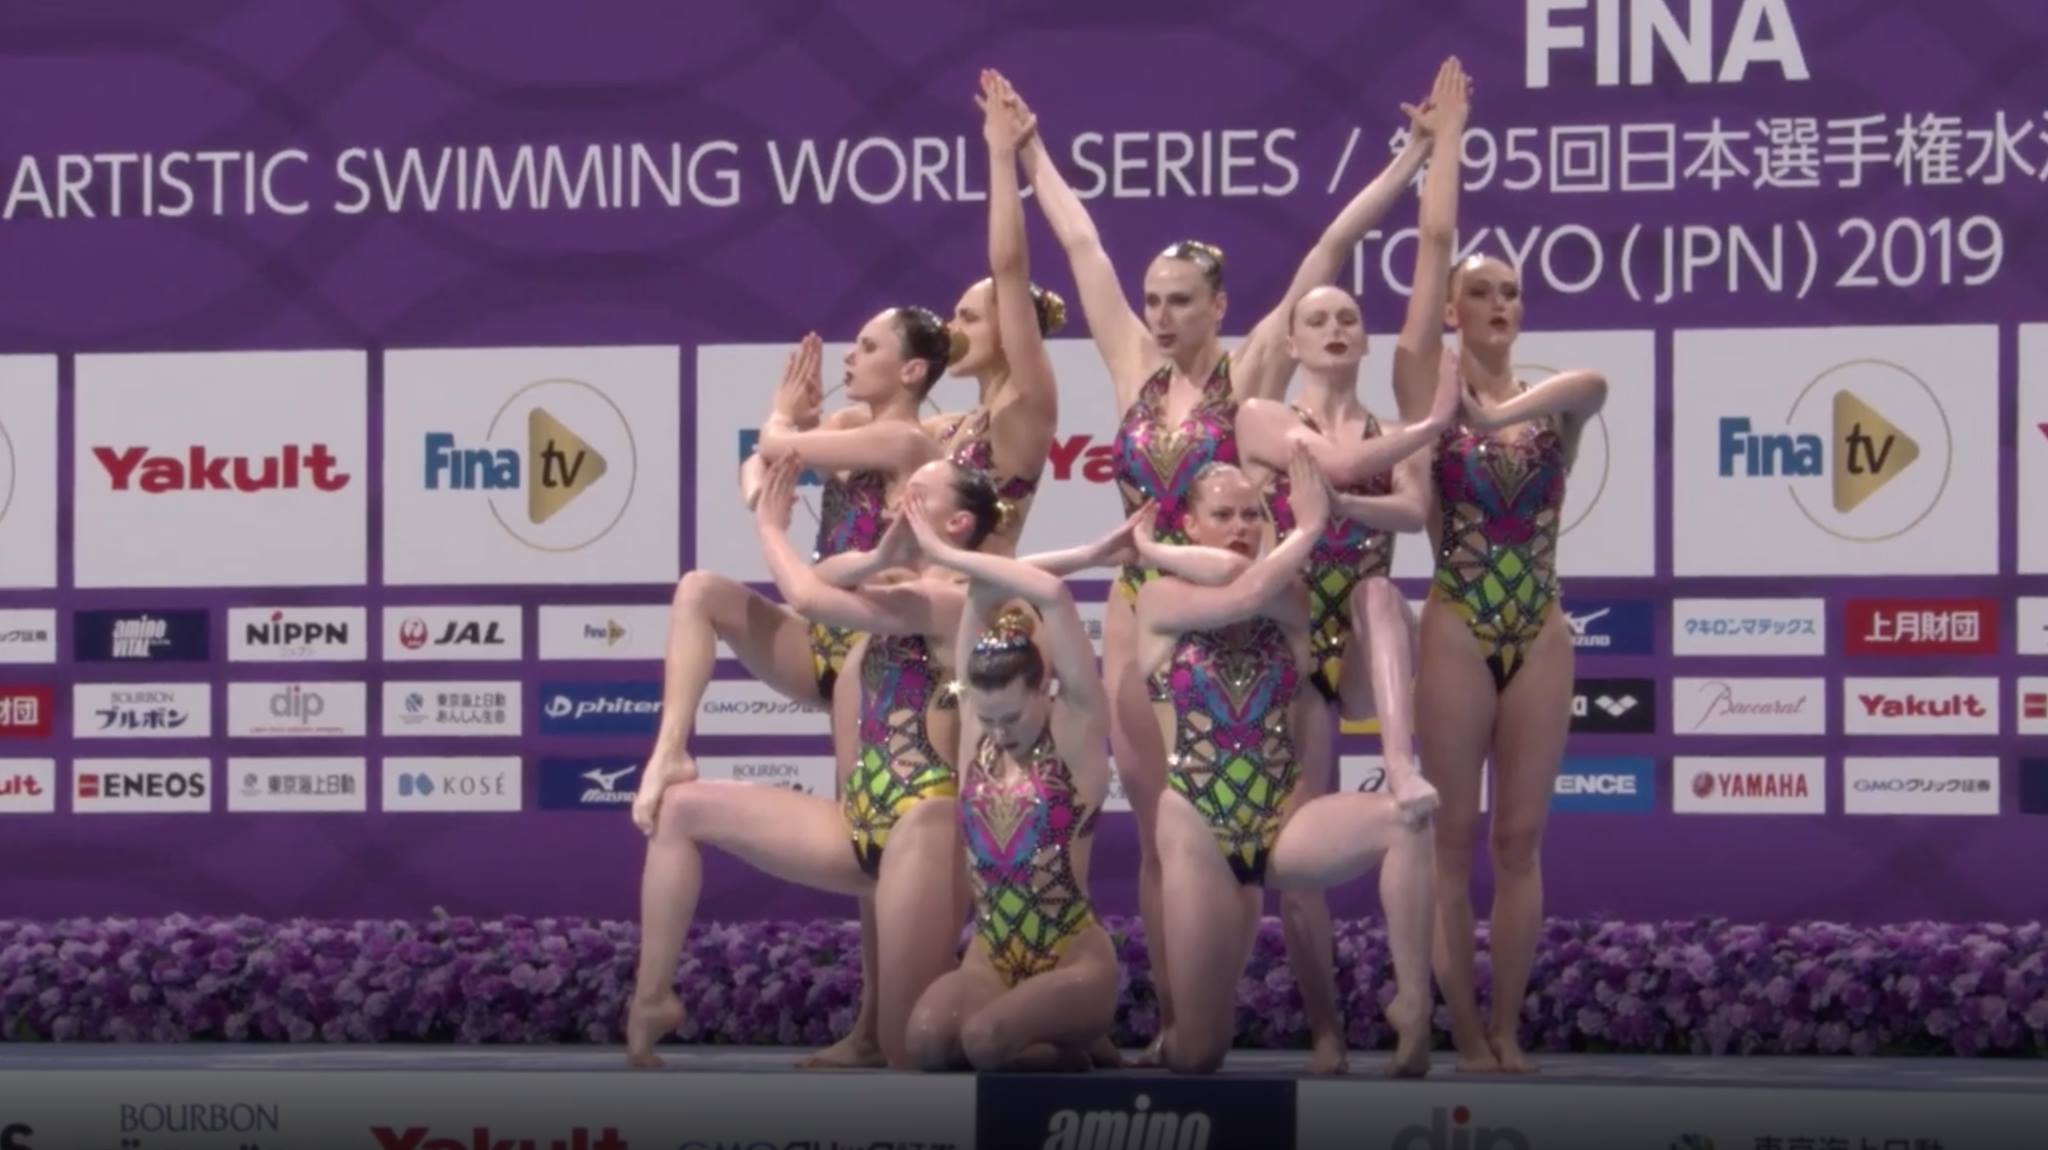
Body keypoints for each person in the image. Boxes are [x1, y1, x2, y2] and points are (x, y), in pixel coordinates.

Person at [1007, 65, 1446, 1065]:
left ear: (1217, 305)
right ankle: (1174, 1020)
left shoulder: (1254, 371)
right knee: (1164, 823)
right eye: (1153, 299)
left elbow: (1329, 246)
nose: (1158, 315)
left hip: (1251, 614)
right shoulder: (1128, 360)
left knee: (1277, 830)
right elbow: (1076, 240)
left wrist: (1412, 157)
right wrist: (1027, 149)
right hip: (1142, 604)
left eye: (1178, 301)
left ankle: (1328, 1025)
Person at [625, 454, 1002, 1071]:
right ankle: (651, 999)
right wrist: (883, 552)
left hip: (925, 828)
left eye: (920, 490)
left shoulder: (955, 600)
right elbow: (828, 572)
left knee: (909, 1054)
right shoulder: (888, 584)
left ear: (957, 522)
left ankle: (1029, 1033)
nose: (900, 490)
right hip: (858, 823)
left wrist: (771, 529)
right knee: (680, 808)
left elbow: (806, 594)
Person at [1388, 57, 1609, 1075]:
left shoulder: (1550, 397)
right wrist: (1446, 143)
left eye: (1510, 291)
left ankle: (1508, 1024)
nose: (1496, 303)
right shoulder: (1422, 390)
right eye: (1478, 293)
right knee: (1450, 837)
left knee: (1518, 842)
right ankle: (1462, 1028)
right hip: (1458, 619)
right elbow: (1431, 242)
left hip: (1541, 627)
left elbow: (1594, 382)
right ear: (1448, 312)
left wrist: (1500, 412)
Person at [1131, 447, 1436, 1077]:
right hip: (1197, 826)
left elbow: (1252, 587)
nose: (1241, 527)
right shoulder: (1158, 601)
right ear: (1188, 525)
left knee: (1407, 820)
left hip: (1279, 824)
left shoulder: (1289, 596)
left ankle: (1412, 1002)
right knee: (1198, 1055)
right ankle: (1175, 1038)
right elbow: (1234, 596)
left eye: (1251, 514)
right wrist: (1308, 529)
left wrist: (1162, 544)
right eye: (1223, 515)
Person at [893, 491, 1121, 1072]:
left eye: (1011, 718)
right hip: (991, 957)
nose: (996, 731)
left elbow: (1050, 593)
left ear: (1044, 693)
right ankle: (1064, 1047)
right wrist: (958, 562)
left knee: (987, 1043)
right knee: (923, 1041)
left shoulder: (1077, 730)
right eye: (986, 717)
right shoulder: (979, 726)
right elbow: (983, 593)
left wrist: (945, 549)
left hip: (1071, 955)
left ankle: (1073, 1044)